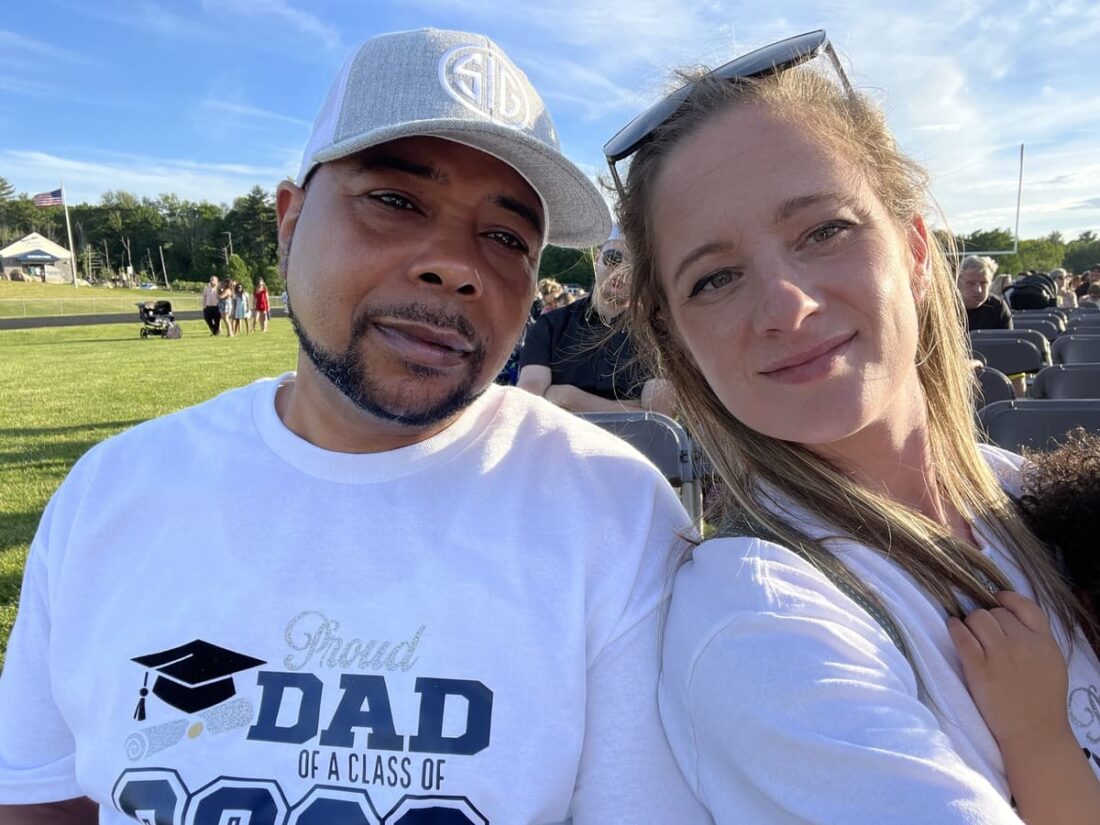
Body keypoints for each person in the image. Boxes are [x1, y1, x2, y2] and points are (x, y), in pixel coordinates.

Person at [0, 29, 713, 825]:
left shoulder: (614, 516)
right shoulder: (111, 495)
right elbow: (39, 798)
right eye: (396, 201)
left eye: (506, 237)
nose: (456, 265)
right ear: (289, 221)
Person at [608, 29, 1100, 822]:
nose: (786, 306)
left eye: (823, 231)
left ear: (914, 250)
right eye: (716, 278)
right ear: (679, 342)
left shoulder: (1032, 492)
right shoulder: (763, 623)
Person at [517, 227, 675, 415]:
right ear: (597, 259)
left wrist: (567, 398)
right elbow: (529, 404)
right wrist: (632, 409)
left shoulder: (658, 336)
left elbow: (657, 419)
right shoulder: (550, 326)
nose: (621, 272)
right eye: (613, 259)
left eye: (634, 266)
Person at [958, 255, 1012, 331]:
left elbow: (1007, 337)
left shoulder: (997, 307)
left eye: (984, 283)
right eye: (971, 283)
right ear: (957, 283)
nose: (978, 290)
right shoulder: (944, 306)